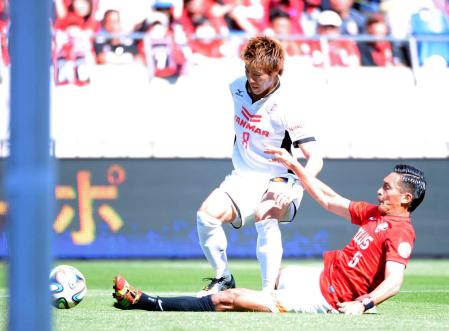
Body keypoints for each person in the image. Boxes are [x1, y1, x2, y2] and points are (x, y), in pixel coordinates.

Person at [112, 156, 426, 315]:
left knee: (229, 299)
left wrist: (363, 304)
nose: (379, 190)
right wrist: (296, 169)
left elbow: (394, 281)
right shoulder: (375, 213)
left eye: (387, 187)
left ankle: (146, 302)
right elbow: (330, 200)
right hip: (320, 278)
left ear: (406, 198)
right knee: (277, 275)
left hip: (327, 298)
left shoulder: (401, 231)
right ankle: (260, 296)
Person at [193, 35, 323, 297]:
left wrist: (297, 184)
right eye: (248, 72)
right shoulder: (236, 87)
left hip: (281, 178)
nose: (251, 79)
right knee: (206, 217)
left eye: (258, 75)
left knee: (265, 214)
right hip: (243, 177)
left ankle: (268, 293)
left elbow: (316, 157)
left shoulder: (288, 105)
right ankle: (223, 278)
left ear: (277, 72)